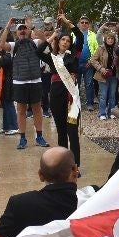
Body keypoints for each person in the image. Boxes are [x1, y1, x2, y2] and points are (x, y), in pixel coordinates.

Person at [8, 17, 50, 150]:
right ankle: (22, 138)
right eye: (20, 29)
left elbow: (45, 39)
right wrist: (8, 26)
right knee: (21, 110)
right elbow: (2, 44)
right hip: (20, 81)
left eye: (23, 29)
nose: (22, 31)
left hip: (35, 80)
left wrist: (31, 27)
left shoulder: (35, 42)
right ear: (16, 32)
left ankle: (39, 136)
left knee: (38, 109)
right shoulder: (14, 45)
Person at [47, 14, 84, 164]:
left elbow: (80, 37)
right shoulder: (52, 56)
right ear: (59, 41)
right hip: (56, 96)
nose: (66, 42)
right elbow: (38, 51)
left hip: (71, 97)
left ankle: (75, 164)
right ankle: (63, 164)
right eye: (63, 39)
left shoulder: (74, 54)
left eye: (68, 40)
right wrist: (52, 36)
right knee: (61, 131)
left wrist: (68, 23)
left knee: (72, 132)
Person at [89, 29, 118, 120]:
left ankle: (111, 112)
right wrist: (101, 68)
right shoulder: (101, 48)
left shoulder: (116, 49)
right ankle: (102, 113)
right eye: (108, 38)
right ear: (105, 39)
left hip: (114, 75)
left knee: (112, 95)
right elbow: (93, 60)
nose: (110, 40)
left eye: (112, 38)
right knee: (103, 95)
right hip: (103, 75)